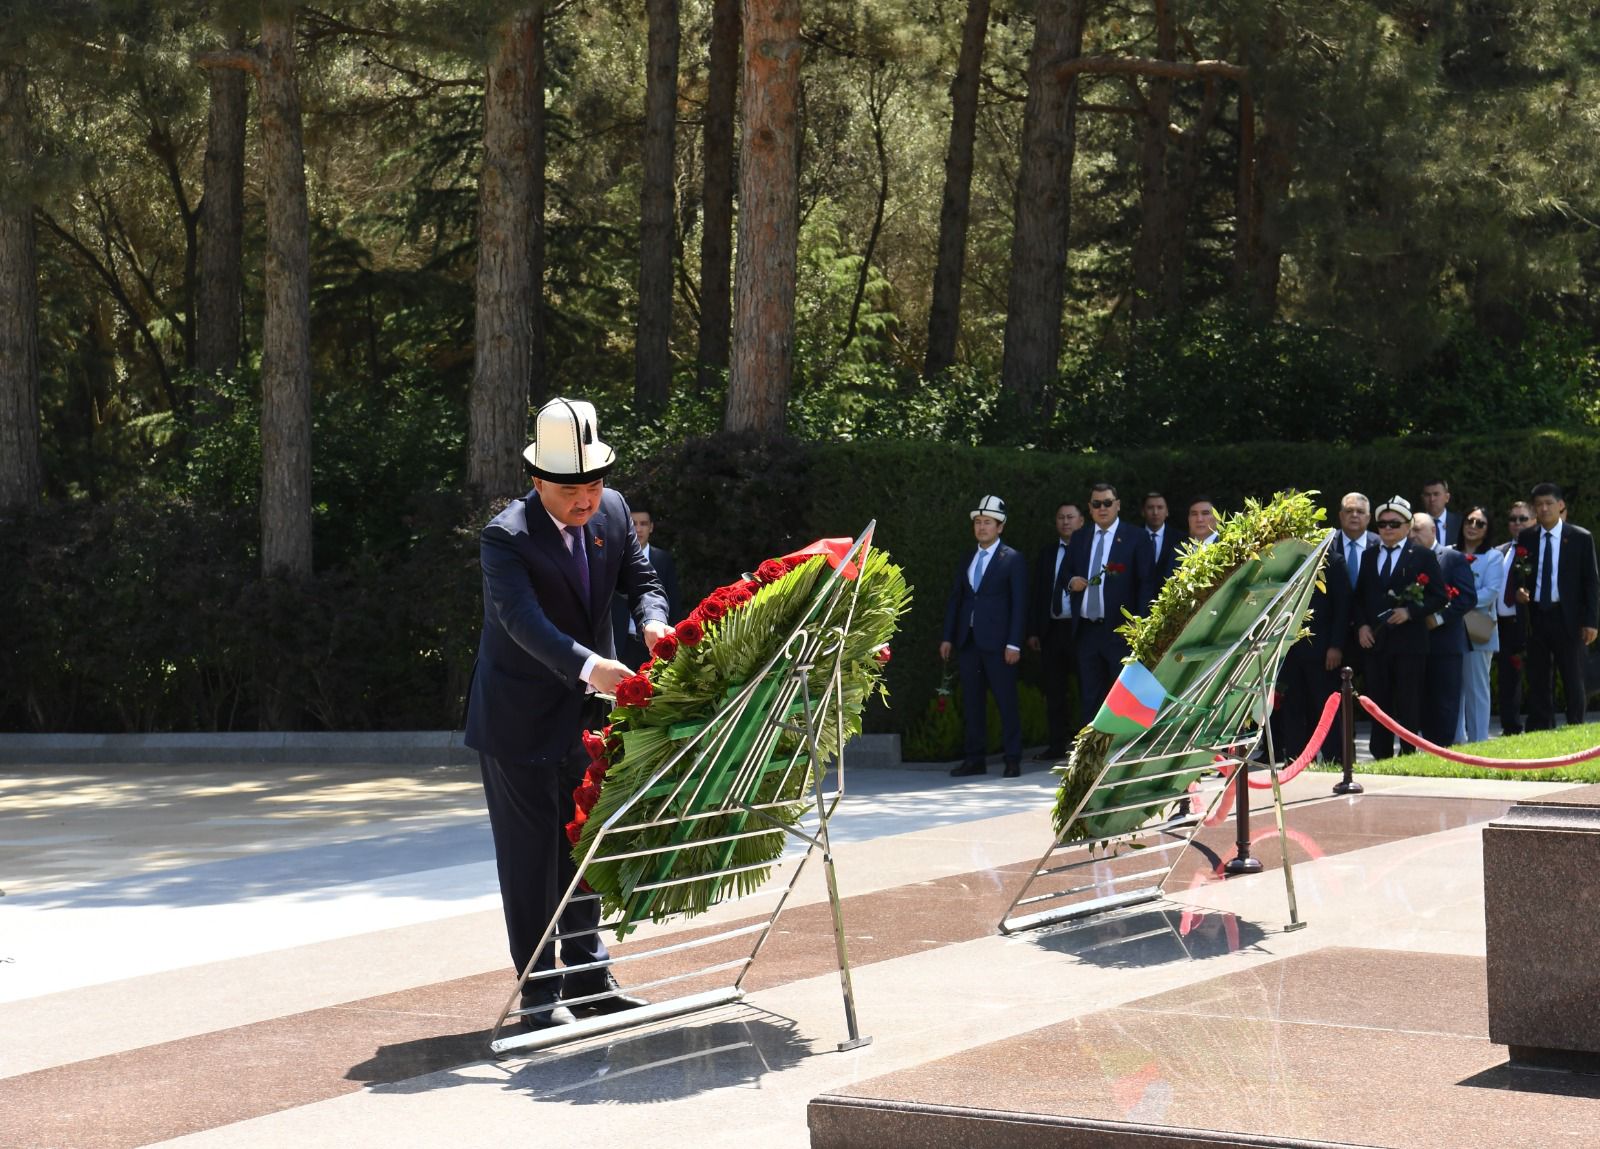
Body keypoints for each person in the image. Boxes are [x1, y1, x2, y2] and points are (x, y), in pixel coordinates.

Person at [463, 398, 669, 1030]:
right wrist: (591, 666)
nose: (586, 500)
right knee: (530, 860)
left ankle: (589, 979)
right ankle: (539, 993)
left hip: (588, 718)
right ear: (536, 480)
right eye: (570, 490)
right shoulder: (506, 536)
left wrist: (653, 624)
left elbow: (643, 580)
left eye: (594, 485)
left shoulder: (614, 511)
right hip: (518, 721)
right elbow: (522, 623)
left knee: (585, 846)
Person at [942, 495, 1029, 778]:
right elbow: (957, 599)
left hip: (999, 643)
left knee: (1006, 702)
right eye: (978, 522)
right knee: (972, 703)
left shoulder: (1012, 559)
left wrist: (1014, 642)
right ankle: (974, 759)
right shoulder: (968, 557)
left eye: (988, 522)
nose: (981, 527)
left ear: (1000, 527)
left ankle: (1012, 758)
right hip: (968, 641)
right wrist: (948, 637)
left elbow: (1019, 604)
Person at [1353, 496, 1445, 757]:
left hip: (1409, 643)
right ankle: (1380, 753)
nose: (1388, 529)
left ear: (1407, 526)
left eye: (1394, 524)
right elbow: (1359, 597)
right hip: (1376, 642)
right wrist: (1362, 626)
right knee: (1377, 700)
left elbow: (1440, 596)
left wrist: (1410, 611)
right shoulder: (1369, 556)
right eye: (1382, 524)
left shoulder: (1422, 555)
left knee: (1408, 701)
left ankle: (1408, 751)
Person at [1506, 482, 1599, 730]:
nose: (1544, 509)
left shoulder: (1579, 537)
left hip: (1568, 616)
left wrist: (1591, 622)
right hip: (1537, 614)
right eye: (1539, 505)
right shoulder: (1527, 537)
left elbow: (1591, 582)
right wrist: (1520, 590)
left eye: (1549, 503)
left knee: (1573, 675)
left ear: (1560, 505)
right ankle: (1541, 725)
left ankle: (1575, 724)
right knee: (1538, 674)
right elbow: (1520, 573)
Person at [1066, 483, 1156, 719]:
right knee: (1089, 697)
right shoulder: (1079, 537)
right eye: (1096, 504)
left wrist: (1139, 624)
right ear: (1089, 508)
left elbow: (1146, 583)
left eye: (1107, 503)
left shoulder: (1136, 537)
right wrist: (1071, 581)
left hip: (1121, 630)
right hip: (1087, 630)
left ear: (1118, 505)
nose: (1102, 508)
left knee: (1125, 696)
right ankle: (1092, 743)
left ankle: (1125, 743)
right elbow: (1065, 573)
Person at [1276, 541, 1348, 763]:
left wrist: (1336, 645)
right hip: (1290, 650)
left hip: (1322, 651)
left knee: (1325, 706)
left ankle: (1334, 758)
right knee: (1293, 706)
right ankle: (1295, 759)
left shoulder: (1332, 561)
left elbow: (1343, 607)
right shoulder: (1285, 560)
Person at [1411, 512, 1475, 747]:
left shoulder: (1452, 558)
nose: (1413, 534)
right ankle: (1427, 746)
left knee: (1445, 702)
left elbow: (1467, 597)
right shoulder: (1410, 558)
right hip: (1417, 643)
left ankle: (1444, 748)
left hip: (1446, 643)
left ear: (1433, 531)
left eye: (1417, 529)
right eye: (1410, 530)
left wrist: (1438, 618)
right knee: (1422, 701)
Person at [1027, 502, 1083, 760]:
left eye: (1070, 517)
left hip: (1079, 629)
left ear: (1081, 521)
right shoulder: (1048, 553)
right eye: (1061, 517)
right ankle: (1056, 745)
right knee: (1054, 690)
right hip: (1052, 629)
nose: (1065, 522)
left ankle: (1086, 747)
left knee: (1086, 688)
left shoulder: (1088, 551)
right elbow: (1038, 592)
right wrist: (1034, 630)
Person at [1453, 505, 1504, 744]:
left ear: (1487, 529)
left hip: (1478, 627)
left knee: (1477, 687)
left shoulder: (1493, 557)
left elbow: (1490, 592)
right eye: (1469, 521)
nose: (1473, 526)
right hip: (1450, 626)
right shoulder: (1449, 552)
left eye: (1480, 523)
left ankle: (1479, 742)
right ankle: (1455, 740)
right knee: (1452, 686)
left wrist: (1458, 601)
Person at [611, 505, 679, 669]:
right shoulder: (614, 558)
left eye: (643, 524)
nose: (638, 529)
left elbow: (672, 599)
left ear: (651, 527)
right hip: (621, 642)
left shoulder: (663, 559)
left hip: (653, 642)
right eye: (633, 524)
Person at [1494, 502, 1534, 735]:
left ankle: (1540, 726)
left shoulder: (1538, 549)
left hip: (1529, 624)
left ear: (1534, 521)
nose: (1517, 523)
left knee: (1537, 678)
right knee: (1507, 679)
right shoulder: (1501, 551)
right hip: (1503, 625)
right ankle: (1510, 728)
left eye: (1523, 518)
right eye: (1513, 519)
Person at [1142, 492, 1181, 584]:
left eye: (1160, 507)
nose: (1155, 512)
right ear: (1143, 511)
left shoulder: (1180, 539)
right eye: (1150, 508)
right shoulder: (1133, 537)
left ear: (1167, 511)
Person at [1420, 479, 1462, 548]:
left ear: (1447, 497)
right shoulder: (1415, 524)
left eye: (1436, 494)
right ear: (1422, 498)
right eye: (1427, 495)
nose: (1432, 499)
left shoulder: (1460, 523)